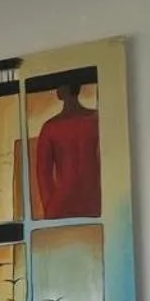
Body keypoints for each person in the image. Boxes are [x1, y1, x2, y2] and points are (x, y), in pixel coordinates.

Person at [33, 81, 101, 219]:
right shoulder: (96, 120)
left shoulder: (50, 127)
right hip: (93, 201)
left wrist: (50, 207)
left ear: (64, 90)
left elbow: (43, 174)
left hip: (62, 203)